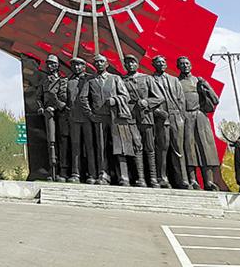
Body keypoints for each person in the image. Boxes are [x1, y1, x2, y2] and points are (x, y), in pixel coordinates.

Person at [81, 54, 136, 185]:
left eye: (101, 61)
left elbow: (125, 96)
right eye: (96, 62)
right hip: (99, 118)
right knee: (101, 147)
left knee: (120, 147)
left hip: (116, 118)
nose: (99, 64)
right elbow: (83, 98)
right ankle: (103, 174)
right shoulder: (90, 80)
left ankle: (123, 176)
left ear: (107, 64)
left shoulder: (115, 78)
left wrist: (115, 100)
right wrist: (90, 114)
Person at [176, 56, 220, 190]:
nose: (185, 66)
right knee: (189, 148)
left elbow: (215, 99)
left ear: (191, 65)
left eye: (187, 63)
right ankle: (193, 180)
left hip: (200, 116)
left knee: (205, 148)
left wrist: (205, 86)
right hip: (185, 116)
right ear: (178, 67)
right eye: (182, 64)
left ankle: (209, 181)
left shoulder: (198, 81)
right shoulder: (176, 82)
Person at [149, 55, 190, 188]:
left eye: (163, 62)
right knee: (162, 149)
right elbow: (147, 99)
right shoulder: (150, 80)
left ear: (166, 64)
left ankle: (182, 179)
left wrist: (181, 116)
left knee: (178, 149)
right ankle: (162, 178)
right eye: (158, 62)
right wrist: (156, 112)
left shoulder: (174, 80)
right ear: (153, 65)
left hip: (176, 116)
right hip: (161, 117)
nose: (161, 64)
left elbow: (181, 99)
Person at [122, 55, 159, 187]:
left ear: (137, 64)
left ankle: (153, 178)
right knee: (137, 146)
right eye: (127, 63)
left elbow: (159, 97)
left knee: (150, 147)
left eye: (133, 62)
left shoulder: (146, 78)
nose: (130, 65)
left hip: (146, 117)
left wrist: (147, 102)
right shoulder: (122, 80)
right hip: (131, 117)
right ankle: (141, 178)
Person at [64, 57, 96, 184]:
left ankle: (92, 174)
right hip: (73, 118)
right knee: (75, 146)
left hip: (88, 118)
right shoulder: (69, 81)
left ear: (84, 67)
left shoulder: (90, 79)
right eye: (74, 65)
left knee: (90, 146)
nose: (76, 67)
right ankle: (75, 173)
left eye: (79, 65)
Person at [37, 54, 67, 181]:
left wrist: (54, 107)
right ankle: (53, 170)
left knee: (62, 141)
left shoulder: (62, 81)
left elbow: (64, 99)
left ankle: (63, 171)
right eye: (48, 63)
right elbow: (38, 97)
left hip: (61, 114)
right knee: (51, 142)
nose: (50, 66)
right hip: (48, 115)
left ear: (57, 66)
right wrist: (41, 107)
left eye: (53, 64)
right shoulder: (44, 81)